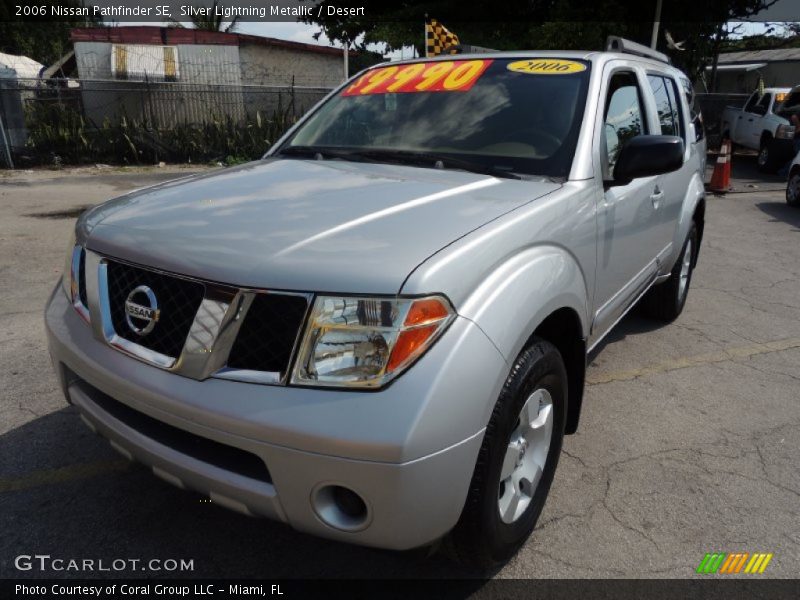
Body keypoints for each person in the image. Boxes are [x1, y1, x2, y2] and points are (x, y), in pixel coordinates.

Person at [778, 113, 800, 177]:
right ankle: (784, 172)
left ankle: (784, 172)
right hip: (798, 140)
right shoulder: (795, 115)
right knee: (797, 159)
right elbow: (794, 117)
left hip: (796, 139)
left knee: (797, 158)